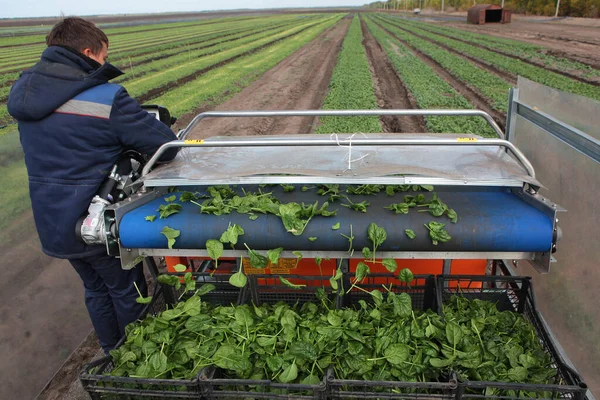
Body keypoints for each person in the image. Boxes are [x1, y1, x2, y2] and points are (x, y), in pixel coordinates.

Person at [7, 17, 179, 353]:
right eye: (102, 57)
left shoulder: (24, 95)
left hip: (54, 221)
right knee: (126, 290)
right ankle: (138, 360)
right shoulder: (104, 97)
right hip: (97, 219)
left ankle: (112, 350)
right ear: (88, 52)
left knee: (96, 288)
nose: (103, 64)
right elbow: (165, 145)